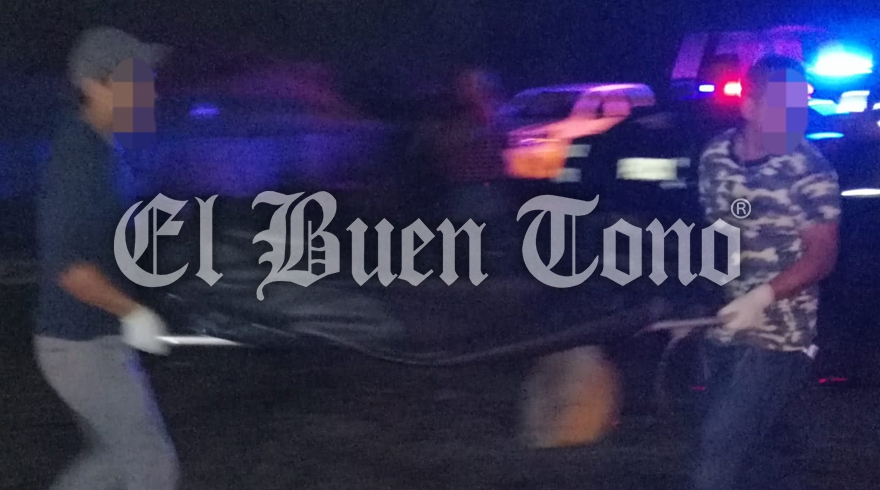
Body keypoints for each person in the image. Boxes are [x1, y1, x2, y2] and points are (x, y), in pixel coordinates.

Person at [34, 26, 179, 490]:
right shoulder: (78, 157)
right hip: (82, 348)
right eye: (137, 78)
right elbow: (70, 269)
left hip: (91, 341)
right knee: (151, 464)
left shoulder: (103, 147)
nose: (151, 90)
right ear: (94, 85)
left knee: (113, 460)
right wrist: (135, 312)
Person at [690, 54, 841, 490]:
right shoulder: (716, 156)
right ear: (750, 107)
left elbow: (822, 256)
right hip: (722, 327)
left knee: (717, 450)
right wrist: (698, 298)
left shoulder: (810, 169)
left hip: (780, 336)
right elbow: (721, 226)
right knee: (761, 461)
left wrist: (761, 297)